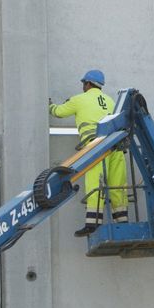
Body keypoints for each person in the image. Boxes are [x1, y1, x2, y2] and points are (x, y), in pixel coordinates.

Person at [49, 69, 129, 237]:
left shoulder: (79, 100)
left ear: (87, 83)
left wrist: (49, 105)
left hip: (96, 146)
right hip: (116, 147)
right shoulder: (110, 101)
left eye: (83, 84)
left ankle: (92, 223)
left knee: (95, 183)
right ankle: (122, 222)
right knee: (117, 185)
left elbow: (59, 112)